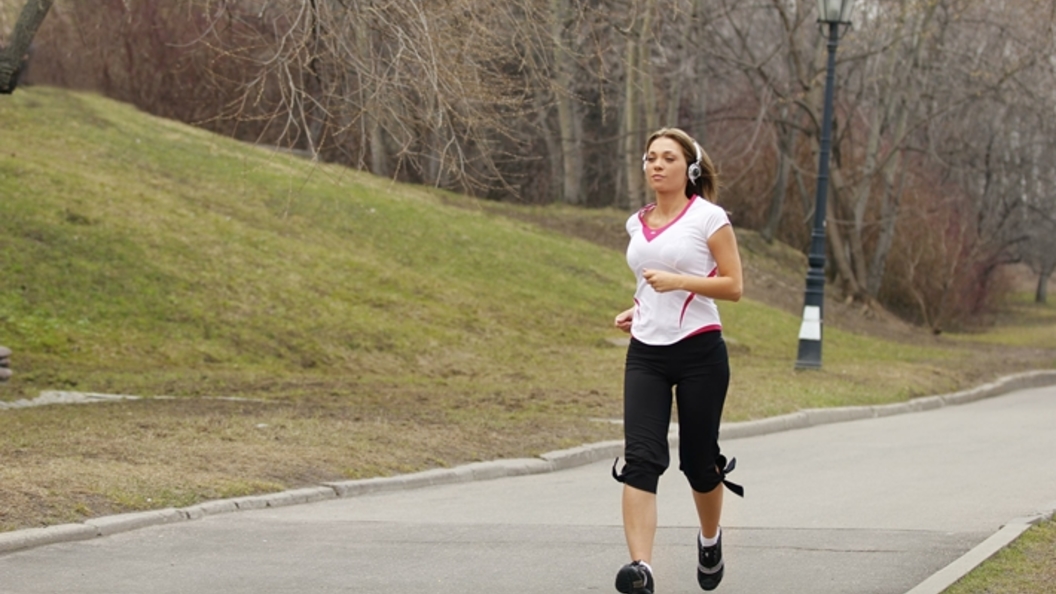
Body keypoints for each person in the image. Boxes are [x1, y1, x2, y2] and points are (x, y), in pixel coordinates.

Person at [611, 127, 744, 593]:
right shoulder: (637, 221)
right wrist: (640, 305)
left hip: (700, 352)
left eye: (668, 158)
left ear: (688, 168)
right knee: (641, 459)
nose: (657, 165)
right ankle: (641, 570)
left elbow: (734, 286)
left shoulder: (709, 218)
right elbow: (649, 282)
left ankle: (710, 538)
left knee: (698, 461)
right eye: (650, 158)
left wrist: (679, 283)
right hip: (646, 353)